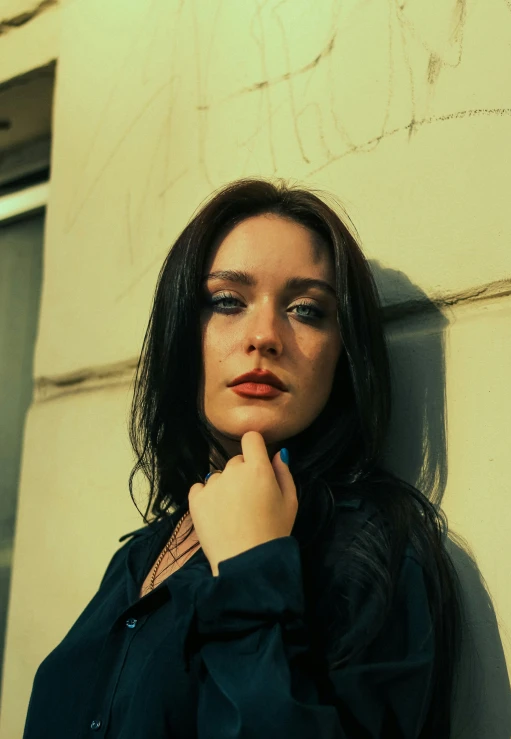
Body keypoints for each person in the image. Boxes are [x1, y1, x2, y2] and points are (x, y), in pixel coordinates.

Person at [23, 178, 463, 738]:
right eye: (228, 302)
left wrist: (253, 572)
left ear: (344, 353)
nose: (265, 336)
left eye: (306, 310)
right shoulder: (140, 557)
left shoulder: (370, 555)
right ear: (184, 332)